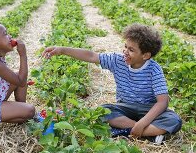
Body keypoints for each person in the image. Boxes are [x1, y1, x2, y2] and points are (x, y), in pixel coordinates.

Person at [42, 23, 182, 144]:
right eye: (125, 46)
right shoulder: (117, 60)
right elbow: (91, 56)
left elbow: (162, 102)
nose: (125, 52)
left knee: (174, 120)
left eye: (131, 50)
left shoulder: (154, 69)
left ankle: (128, 131)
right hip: (125, 107)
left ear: (145, 55)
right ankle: (148, 134)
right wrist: (62, 50)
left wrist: (143, 122)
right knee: (102, 111)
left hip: (148, 109)